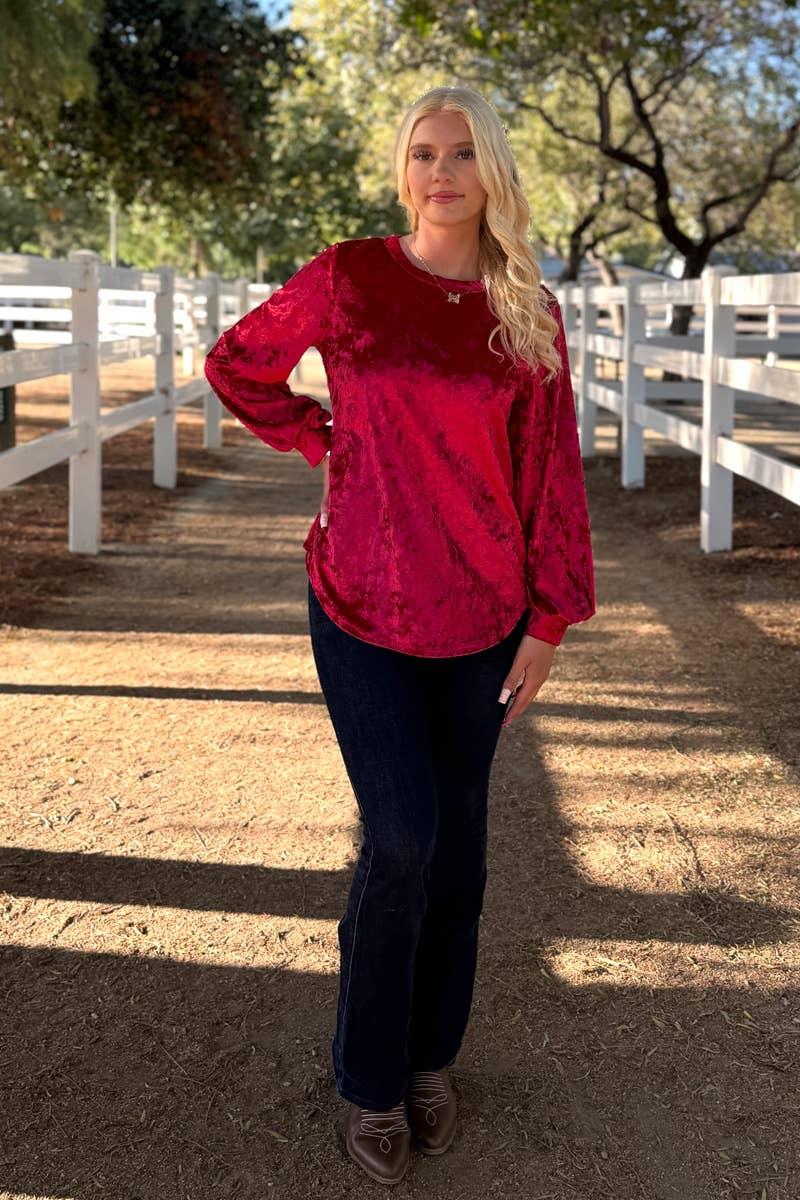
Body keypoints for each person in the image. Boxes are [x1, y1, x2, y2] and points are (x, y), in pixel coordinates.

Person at [204, 84, 596, 1186]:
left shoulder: (526, 309)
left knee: (460, 850)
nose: (441, 173)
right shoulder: (350, 277)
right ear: (402, 170)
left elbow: (549, 472)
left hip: (484, 618)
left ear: (492, 171)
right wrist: (317, 434)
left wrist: (549, 619)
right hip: (362, 604)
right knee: (405, 838)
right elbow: (238, 362)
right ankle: (370, 1080)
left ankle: (429, 1060)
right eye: (423, 153)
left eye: (461, 153)